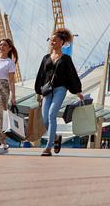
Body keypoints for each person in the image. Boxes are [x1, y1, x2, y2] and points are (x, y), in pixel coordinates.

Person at [35, 28, 83, 156]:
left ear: (62, 42)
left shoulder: (66, 58)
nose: (52, 41)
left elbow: (72, 74)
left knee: (51, 114)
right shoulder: (46, 58)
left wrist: (77, 91)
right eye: (51, 40)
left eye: (55, 40)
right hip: (47, 90)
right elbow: (41, 74)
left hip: (60, 89)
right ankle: (56, 137)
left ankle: (48, 148)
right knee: (45, 119)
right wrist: (38, 92)